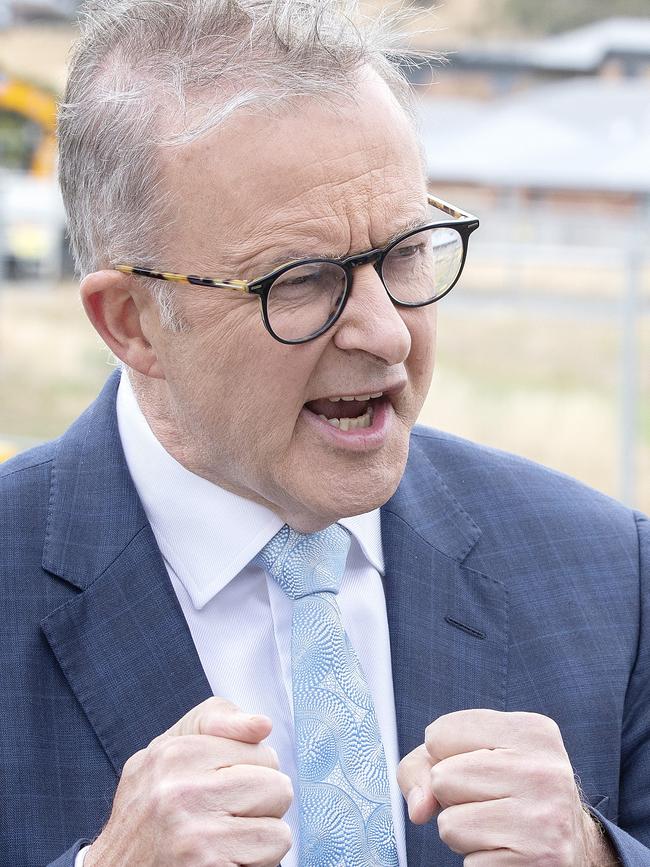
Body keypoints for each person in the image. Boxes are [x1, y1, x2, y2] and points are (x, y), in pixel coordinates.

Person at [1, 1, 648, 865]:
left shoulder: (608, 572)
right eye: (301, 280)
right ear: (132, 322)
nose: (386, 333)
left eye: (406, 251)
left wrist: (597, 854)